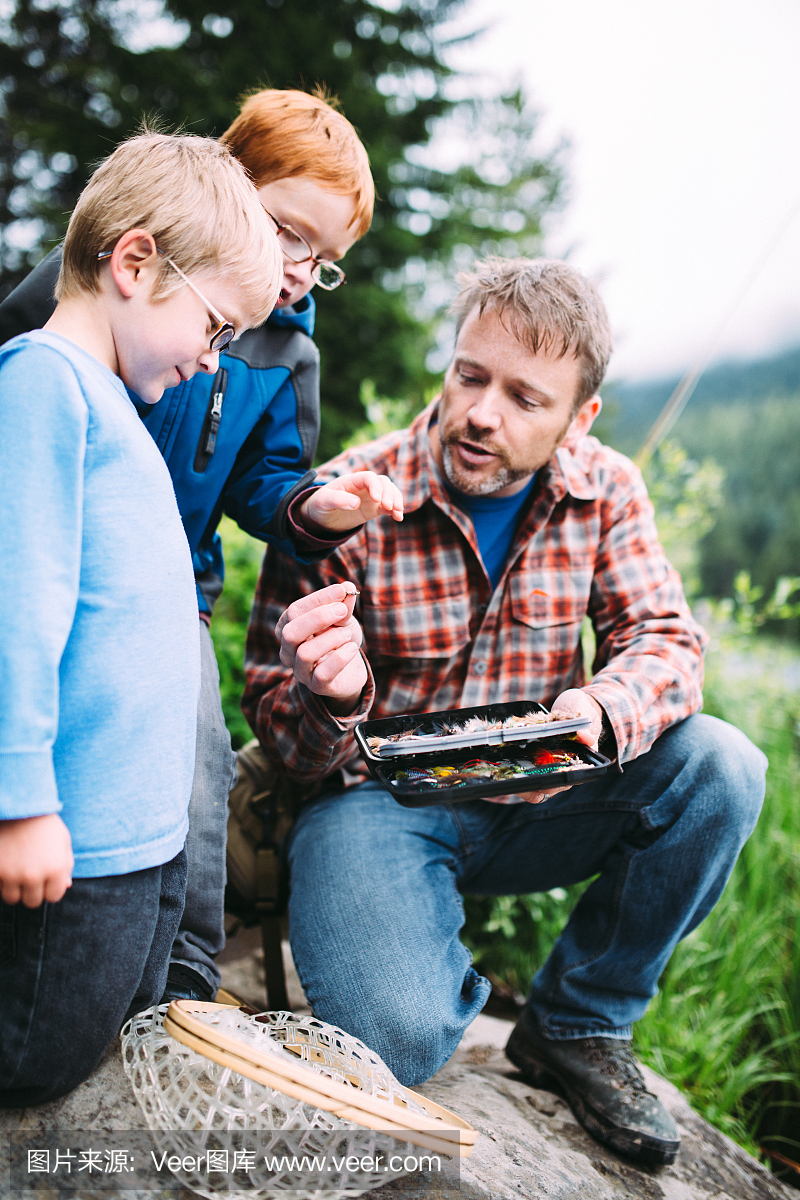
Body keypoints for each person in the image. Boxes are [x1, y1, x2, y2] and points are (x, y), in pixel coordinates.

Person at [241, 257, 768, 1168]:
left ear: (579, 417)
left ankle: (577, 1023)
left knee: (723, 766)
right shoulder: (343, 500)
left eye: (526, 398)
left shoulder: (607, 491)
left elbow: (667, 642)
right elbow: (281, 740)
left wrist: (606, 704)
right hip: (376, 805)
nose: (482, 412)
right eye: (470, 376)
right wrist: (323, 698)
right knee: (396, 1041)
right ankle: (424, 970)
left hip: (541, 797)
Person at [0, 88, 402, 1005]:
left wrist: (322, 509)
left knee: (196, 753)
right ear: (226, 185)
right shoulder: (106, 288)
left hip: (171, 589)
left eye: (326, 259)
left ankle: (180, 969)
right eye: (289, 233)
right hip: (60, 552)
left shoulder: (285, 352)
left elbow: (269, 484)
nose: (302, 269)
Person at [0, 130, 283, 1104]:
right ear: (133, 263)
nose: (214, 363)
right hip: (74, 840)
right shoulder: (41, 386)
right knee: (36, 1061)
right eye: (214, 328)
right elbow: (16, 610)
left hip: (143, 841)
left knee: (109, 1035)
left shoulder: (114, 398)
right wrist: (21, 803)